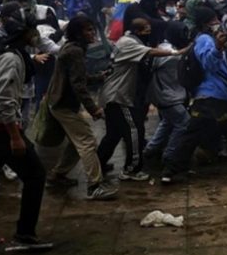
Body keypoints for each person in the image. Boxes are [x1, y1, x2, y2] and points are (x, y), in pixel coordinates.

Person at [0, 3, 52, 252]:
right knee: (35, 175)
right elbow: (6, 102)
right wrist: (15, 137)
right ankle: (25, 234)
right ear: (25, 33)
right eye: (32, 31)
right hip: (1, 131)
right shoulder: (10, 59)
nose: (36, 35)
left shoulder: (6, 52)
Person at [162, 7, 227, 184]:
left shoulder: (204, 39)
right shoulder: (205, 40)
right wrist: (218, 48)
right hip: (217, 96)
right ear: (207, 22)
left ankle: (170, 171)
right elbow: (209, 63)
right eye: (214, 20)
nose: (217, 23)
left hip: (204, 98)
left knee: (191, 135)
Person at [97, 17, 177, 181]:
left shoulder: (126, 40)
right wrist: (177, 52)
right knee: (134, 130)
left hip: (112, 93)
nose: (148, 34)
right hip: (119, 96)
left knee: (113, 133)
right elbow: (151, 52)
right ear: (138, 31)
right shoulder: (129, 43)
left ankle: (98, 164)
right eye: (146, 31)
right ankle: (131, 169)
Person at [46, 16, 117, 200]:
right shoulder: (75, 51)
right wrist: (93, 109)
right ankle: (95, 186)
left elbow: (77, 77)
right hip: (63, 104)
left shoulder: (72, 48)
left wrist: (97, 77)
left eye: (92, 29)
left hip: (59, 101)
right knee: (87, 141)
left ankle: (57, 175)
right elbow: (78, 84)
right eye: (87, 30)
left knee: (75, 141)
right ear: (78, 33)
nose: (92, 33)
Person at [144, 21, 191, 165]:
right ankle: (170, 155)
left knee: (168, 122)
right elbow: (172, 57)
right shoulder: (165, 50)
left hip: (171, 94)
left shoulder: (171, 48)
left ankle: (150, 150)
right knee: (184, 122)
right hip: (166, 95)